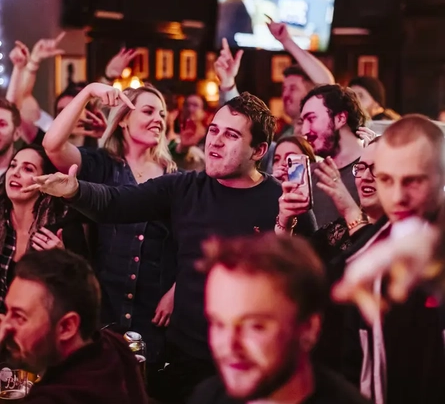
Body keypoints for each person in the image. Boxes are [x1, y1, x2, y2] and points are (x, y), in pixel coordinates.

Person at [27, 91, 316, 403]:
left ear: (259, 150)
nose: (215, 141)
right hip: (185, 360)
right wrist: (75, 189)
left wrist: (286, 224)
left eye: (231, 135)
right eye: (214, 130)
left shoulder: (282, 200)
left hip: (253, 363)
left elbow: (307, 283)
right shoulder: (184, 187)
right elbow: (116, 203)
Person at [42, 82, 177, 374]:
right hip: (106, 304)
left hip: (154, 312)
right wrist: (89, 91)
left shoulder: (174, 177)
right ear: (124, 119)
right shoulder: (103, 164)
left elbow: (190, 241)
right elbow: (52, 144)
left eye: (163, 114)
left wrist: (176, 290)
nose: (159, 119)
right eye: (148, 110)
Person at [329, 114, 445, 404]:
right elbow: (352, 365)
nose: (397, 196)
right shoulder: (363, 254)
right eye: (386, 179)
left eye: (412, 181)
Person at [189, 232, 370, 404]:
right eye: (218, 324)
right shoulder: (207, 397)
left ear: (308, 328)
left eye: (255, 326)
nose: (229, 346)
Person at [0, 248, 148, 404]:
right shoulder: (114, 346)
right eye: (7, 311)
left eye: (19, 317)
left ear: (67, 327)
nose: (5, 326)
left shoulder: (57, 398)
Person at [0, 144, 88, 312]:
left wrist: (62, 260)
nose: (15, 172)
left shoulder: (62, 226)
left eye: (28, 169)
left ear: (46, 183)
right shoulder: (2, 217)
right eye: (13, 165)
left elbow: (83, 292)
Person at [215, 19, 335, 140]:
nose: (285, 94)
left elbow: (327, 84)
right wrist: (227, 82)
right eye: (284, 89)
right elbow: (240, 123)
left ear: (312, 94)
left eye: (293, 88)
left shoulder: (320, 136)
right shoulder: (280, 139)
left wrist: (286, 40)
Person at [300, 84, 368, 228]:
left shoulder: (375, 172)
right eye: (302, 122)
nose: (304, 130)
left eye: (311, 119)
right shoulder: (309, 175)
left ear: (340, 118)